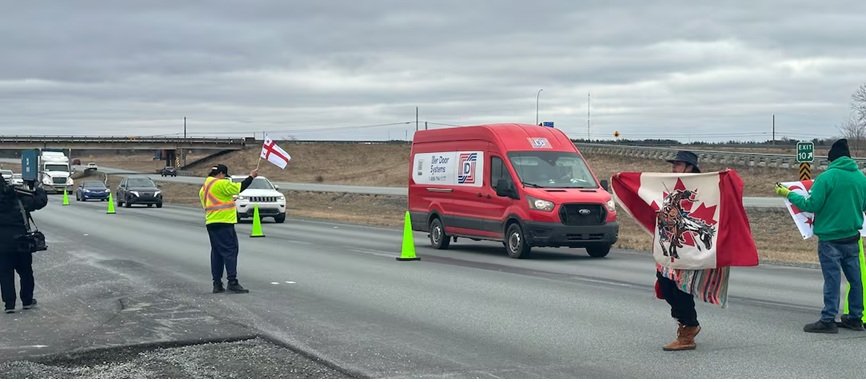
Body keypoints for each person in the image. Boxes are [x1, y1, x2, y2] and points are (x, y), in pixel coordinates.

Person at [775, 138, 866, 333]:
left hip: (830, 239)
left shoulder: (827, 177)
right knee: (855, 280)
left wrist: (788, 193)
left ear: (832, 159)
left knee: (832, 279)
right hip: (852, 237)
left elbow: (811, 205)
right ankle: (855, 318)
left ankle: (828, 320)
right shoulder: (861, 178)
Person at [656, 150, 730, 351]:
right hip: (671, 246)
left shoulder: (704, 186)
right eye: (674, 164)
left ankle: (689, 328)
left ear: (690, 167)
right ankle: (686, 323)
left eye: (678, 164)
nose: (674, 168)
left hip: (690, 246)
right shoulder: (670, 186)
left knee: (680, 286)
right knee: (665, 284)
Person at [200, 164, 257, 294]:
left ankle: (217, 283)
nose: (225, 177)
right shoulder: (221, 183)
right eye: (224, 175)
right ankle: (232, 282)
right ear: (221, 174)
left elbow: (210, 204)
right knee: (230, 251)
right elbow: (239, 187)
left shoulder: (204, 187)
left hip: (211, 222)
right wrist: (251, 176)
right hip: (224, 222)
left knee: (217, 253)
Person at [0, 176, 47, 313]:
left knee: (5, 274)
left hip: (2, 244)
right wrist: (39, 189)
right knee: (26, 272)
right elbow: (40, 201)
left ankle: (9, 304)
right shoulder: (18, 196)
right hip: (21, 242)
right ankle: (27, 300)